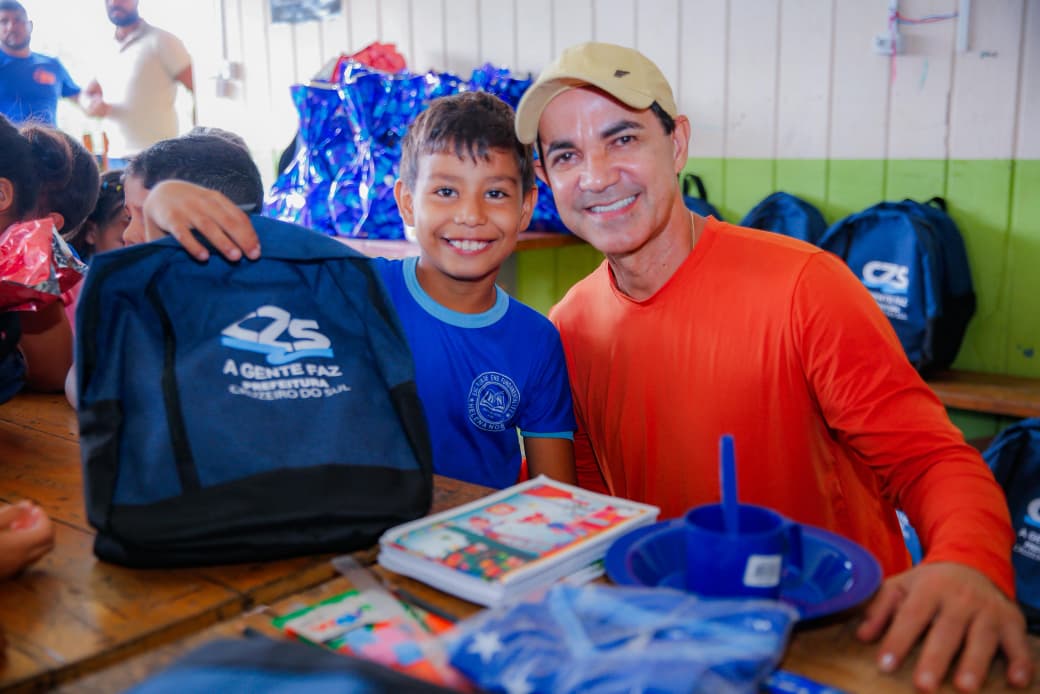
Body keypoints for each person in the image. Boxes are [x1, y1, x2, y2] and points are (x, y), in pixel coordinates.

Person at [511, 42, 1033, 692]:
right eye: (566, 155)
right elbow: (588, 503)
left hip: (838, 646)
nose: (595, 175)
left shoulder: (806, 286)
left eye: (622, 139)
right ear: (547, 180)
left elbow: (929, 459)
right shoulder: (568, 326)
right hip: (674, 651)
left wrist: (971, 566)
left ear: (677, 147)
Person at [133, 93, 578, 489]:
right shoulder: (351, 290)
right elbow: (203, 323)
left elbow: (555, 501)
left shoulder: (537, 341)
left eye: (496, 193)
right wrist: (160, 211)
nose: (470, 215)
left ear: (526, 208)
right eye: (445, 191)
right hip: (351, 541)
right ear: (406, 201)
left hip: (474, 560)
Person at [83, 0, 194, 168]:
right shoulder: (105, 49)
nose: (114, 2)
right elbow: (87, 93)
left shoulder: (163, 40)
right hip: (116, 159)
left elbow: (199, 91)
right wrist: (90, 104)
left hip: (158, 159)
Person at [0, 0, 82, 127]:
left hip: (50, 144)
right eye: (4, 21)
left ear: (30, 26)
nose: (11, 26)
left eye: (18, 20)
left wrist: (93, 100)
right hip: (6, 145)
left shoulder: (52, 65)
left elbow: (80, 98)